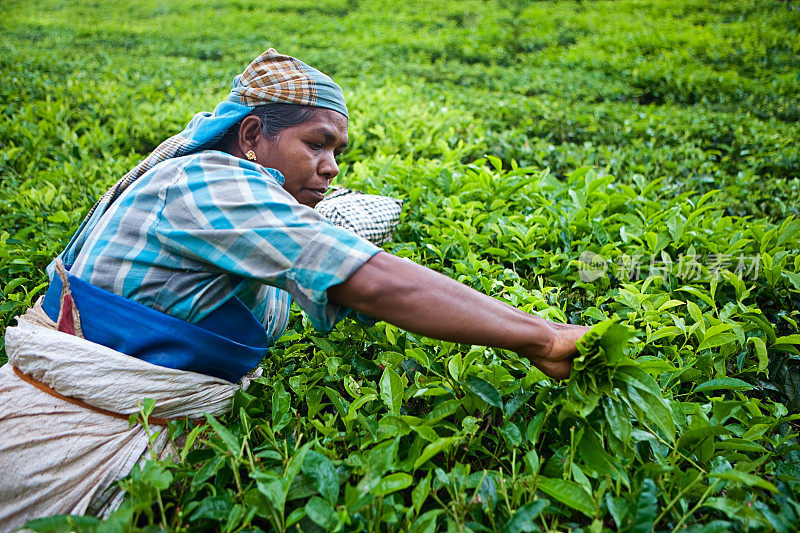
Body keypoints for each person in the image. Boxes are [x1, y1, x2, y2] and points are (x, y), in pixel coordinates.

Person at [0, 49, 588, 528]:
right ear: (253, 134)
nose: (332, 166)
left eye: (338, 151)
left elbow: (318, 253)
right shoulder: (209, 182)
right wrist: (542, 338)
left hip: (125, 422)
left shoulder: (230, 192)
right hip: (62, 444)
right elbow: (377, 282)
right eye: (317, 144)